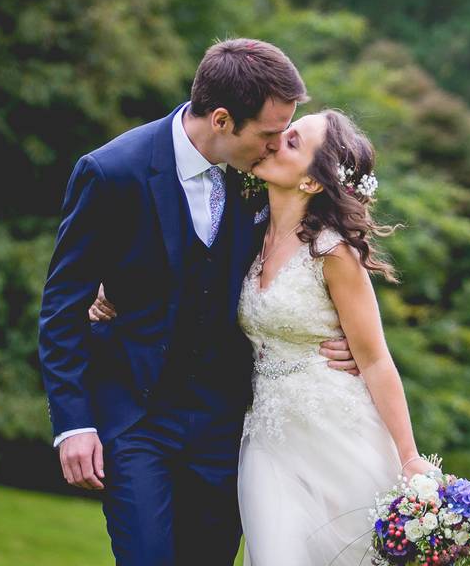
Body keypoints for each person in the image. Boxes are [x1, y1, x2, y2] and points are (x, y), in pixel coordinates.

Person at [37, 38, 358, 565]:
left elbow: (319, 254)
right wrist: (74, 423)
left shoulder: (260, 181)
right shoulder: (111, 172)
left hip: (227, 427)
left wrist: (345, 335)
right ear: (224, 120)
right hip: (135, 419)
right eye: (271, 132)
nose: (278, 145)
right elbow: (61, 307)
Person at [92, 109, 439, 564]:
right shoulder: (245, 225)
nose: (274, 141)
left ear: (312, 182)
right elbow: (181, 273)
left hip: (333, 429)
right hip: (263, 438)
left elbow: (375, 359)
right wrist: (112, 289)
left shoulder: (333, 253)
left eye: (292, 141)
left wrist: (409, 456)